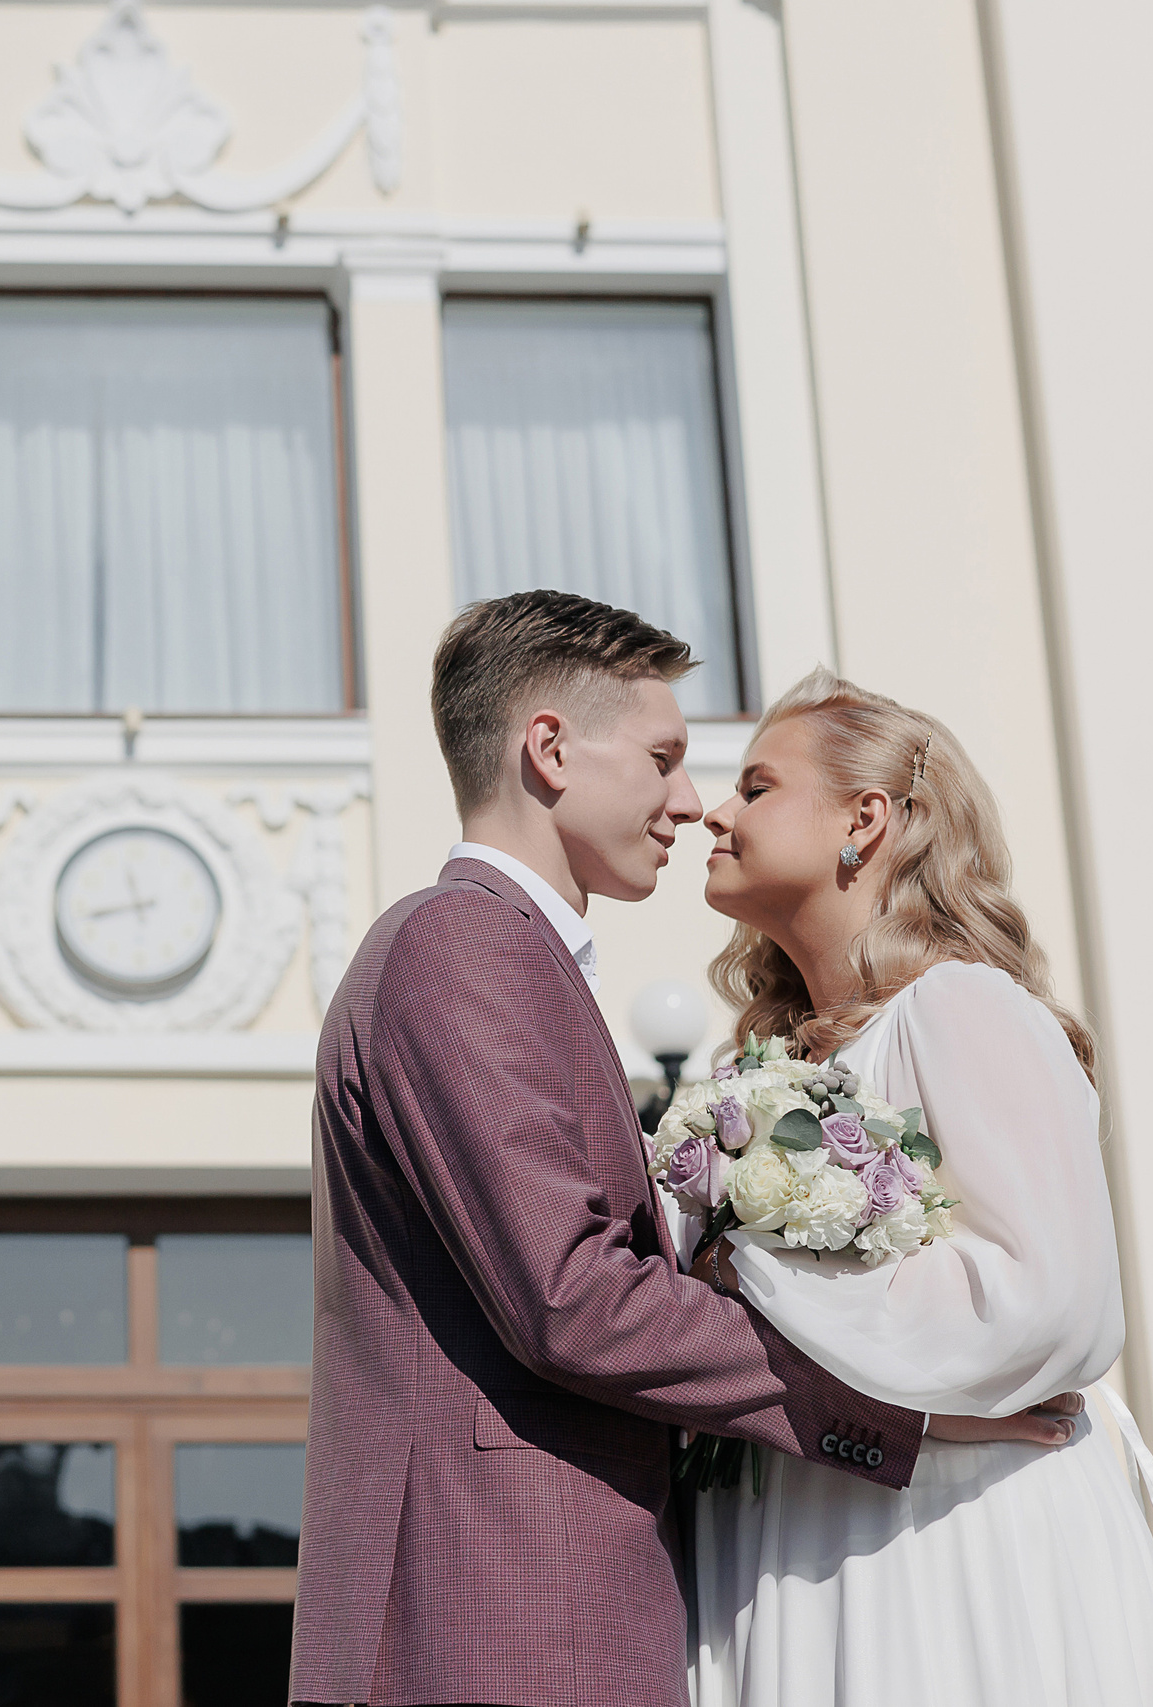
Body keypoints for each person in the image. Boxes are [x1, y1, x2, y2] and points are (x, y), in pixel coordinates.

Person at [288, 592, 1068, 1707]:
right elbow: (570, 1297)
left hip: (548, 1607)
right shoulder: (455, 943)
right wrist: (900, 1410)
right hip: (490, 1612)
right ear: (548, 751)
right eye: (660, 759)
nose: (687, 802)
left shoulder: (514, 958)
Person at [685, 667, 1153, 1705]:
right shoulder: (757, 1071)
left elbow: (1042, 1297)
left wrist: (747, 1273)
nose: (711, 809)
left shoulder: (961, 1009)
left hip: (950, 1532)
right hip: (800, 1522)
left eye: (755, 786)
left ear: (862, 821)